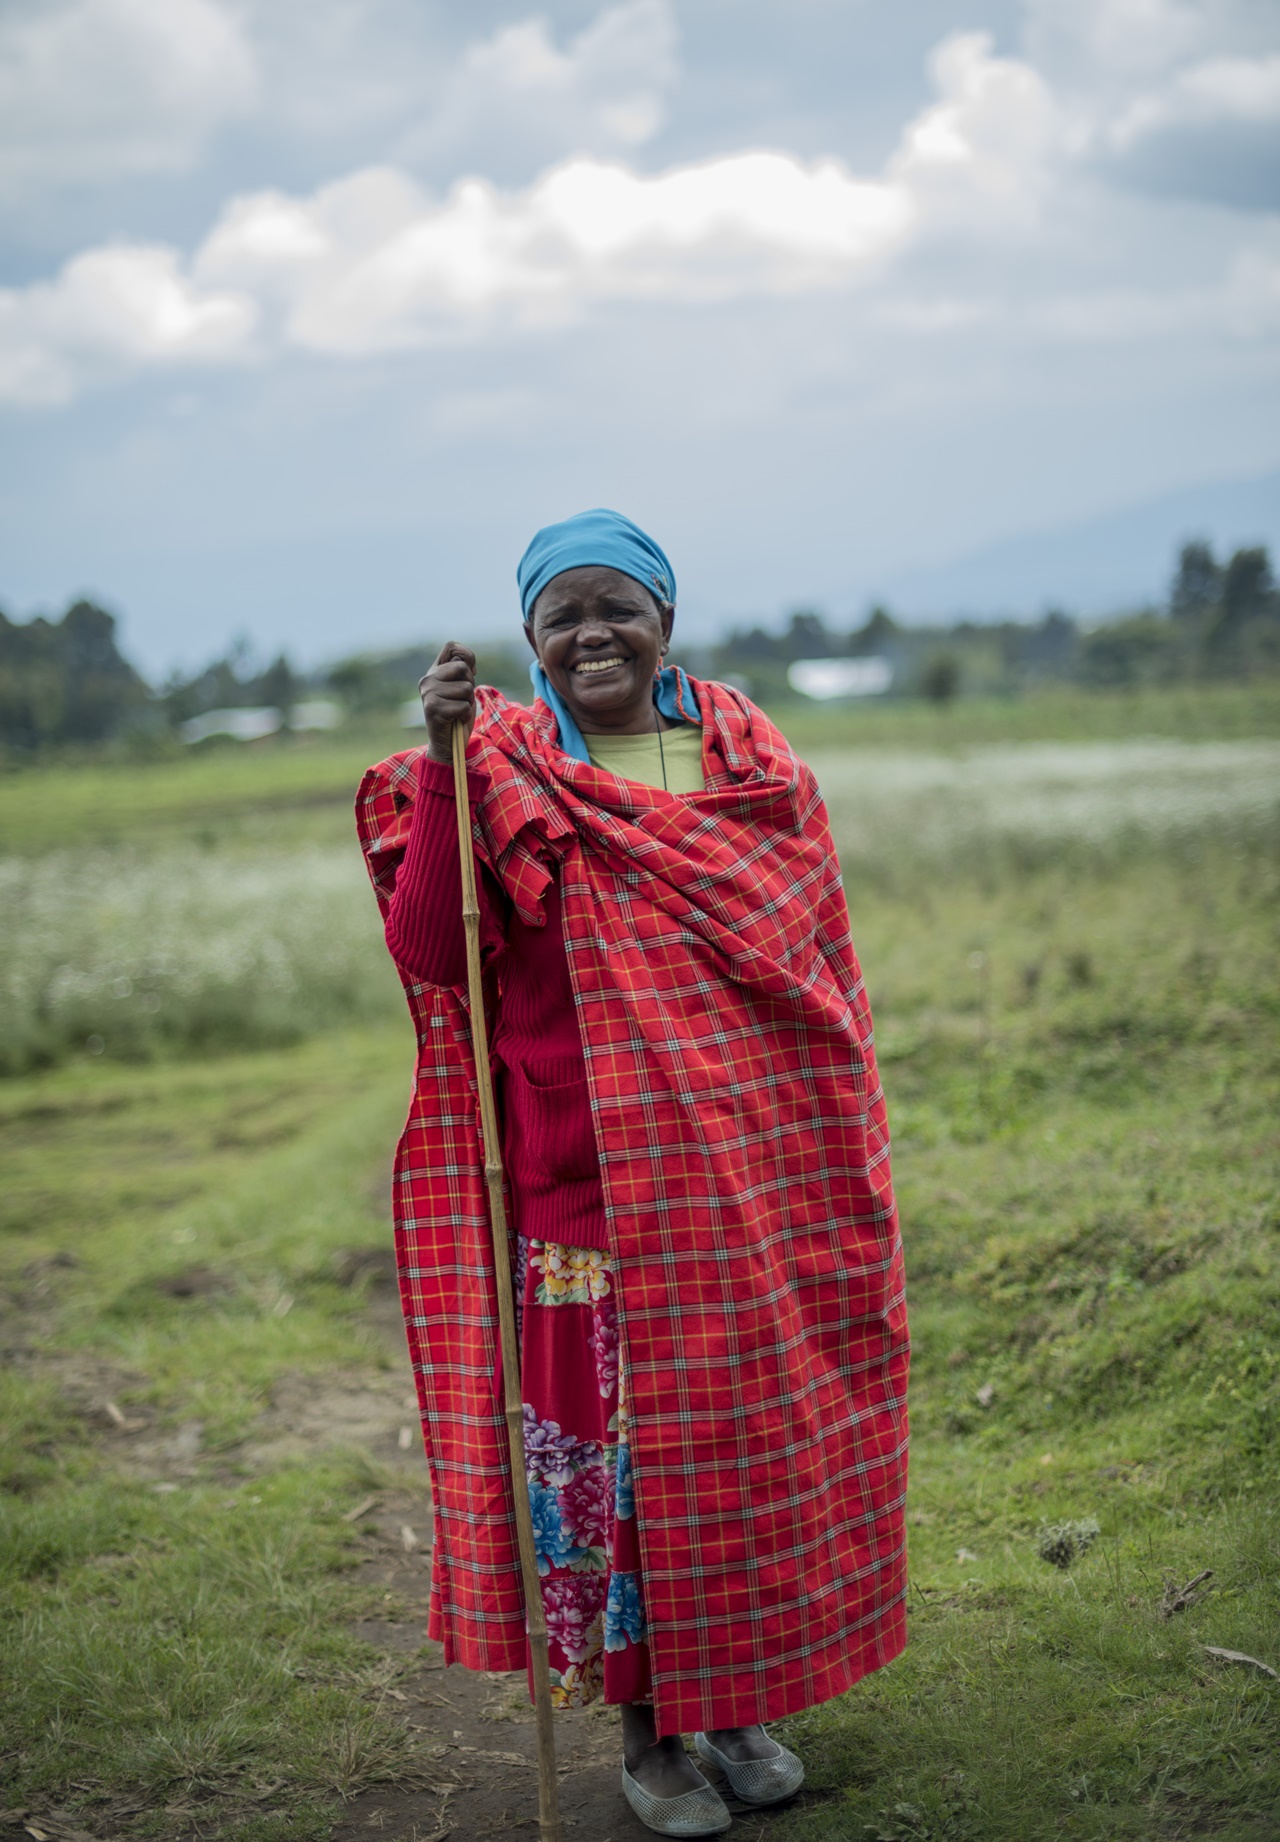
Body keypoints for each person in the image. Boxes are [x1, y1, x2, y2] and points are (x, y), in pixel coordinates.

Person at [355, 509, 909, 1838]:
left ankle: (733, 1702)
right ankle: (648, 1734)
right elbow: (435, 948)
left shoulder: (745, 759)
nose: (592, 633)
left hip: (740, 1181)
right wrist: (437, 763)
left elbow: (810, 968)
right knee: (613, 1469)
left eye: (619, 607)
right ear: (531, 636)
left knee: (736, 1443)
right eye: (563, 615)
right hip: (579, 1183)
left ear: (666, 614)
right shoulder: (493, 763)